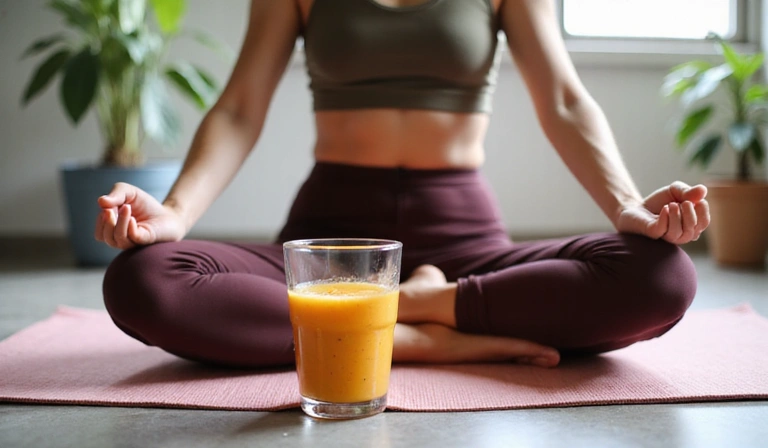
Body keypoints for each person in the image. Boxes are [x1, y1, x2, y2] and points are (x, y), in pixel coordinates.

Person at [97, 0, 709, 369]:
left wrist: (628, 205)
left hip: (467, 243)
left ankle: (387, 316)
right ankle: (423, 338)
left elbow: (565, 101)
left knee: (663, 275)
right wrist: (174, 213)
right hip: (328, 246)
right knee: (143, 279)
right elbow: (238, 108)